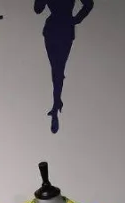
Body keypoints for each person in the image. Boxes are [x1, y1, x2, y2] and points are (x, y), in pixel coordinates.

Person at [36, 0, 95, 133]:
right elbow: (38, 9)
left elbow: (38, 9)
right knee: (57, 68)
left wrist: (76, 20)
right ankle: (56, 102)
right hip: (61, 29)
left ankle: (56, 103)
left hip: (58, 29)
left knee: (57, 69)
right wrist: (75, 20)